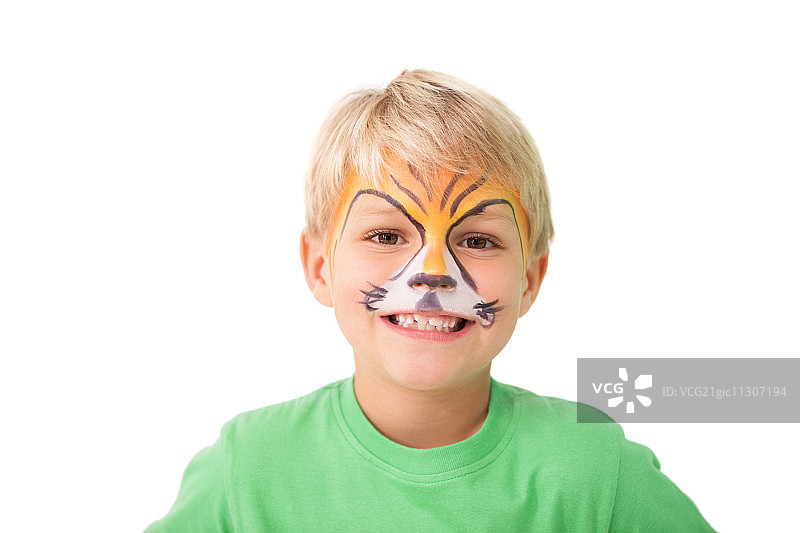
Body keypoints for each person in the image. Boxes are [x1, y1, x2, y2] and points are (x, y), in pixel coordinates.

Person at [145, 69, 715, 532]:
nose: (433, 272)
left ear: (529, 279)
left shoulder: (598, 471)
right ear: (320, 267)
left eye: (478, 240)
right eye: (386, 235)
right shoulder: (247, 468)